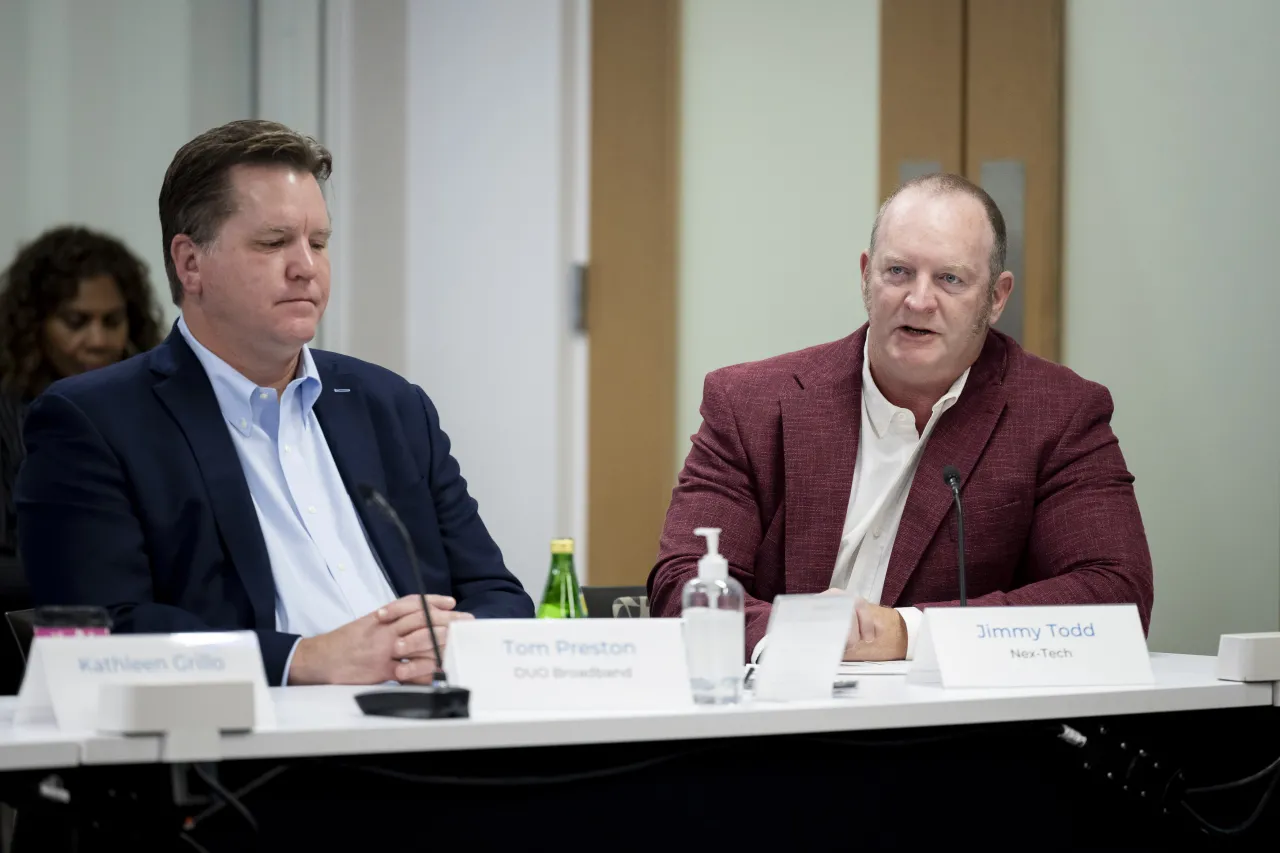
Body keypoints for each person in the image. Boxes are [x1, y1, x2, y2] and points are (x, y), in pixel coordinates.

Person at [16, 120, 534, 687]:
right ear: (190, 264)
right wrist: (305, 660)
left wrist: (455, 638)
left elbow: (498, 594)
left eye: (317, 243)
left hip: (440, 723)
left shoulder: (393, 407)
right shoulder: (95, 422)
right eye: (272, 243)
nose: (306, 267)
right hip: (261, 753)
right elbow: (102, 633)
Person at [648, 173, 1154, 663]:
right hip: (777, 720)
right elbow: (681, 588)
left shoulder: (1057, 414)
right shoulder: (751, 404)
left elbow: (1115, 595)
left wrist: (908, 633)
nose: (918, 300)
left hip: (954, 733)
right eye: (898, 272)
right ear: (866, 275)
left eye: (950, 279)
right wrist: (802, 635)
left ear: (996, 298)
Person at [0, 226, 163, 692]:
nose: (98, 340)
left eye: (113, 321)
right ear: (34, 325)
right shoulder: (8, 415)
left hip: (144, 643)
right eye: (77, 321)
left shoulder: (146, 411)